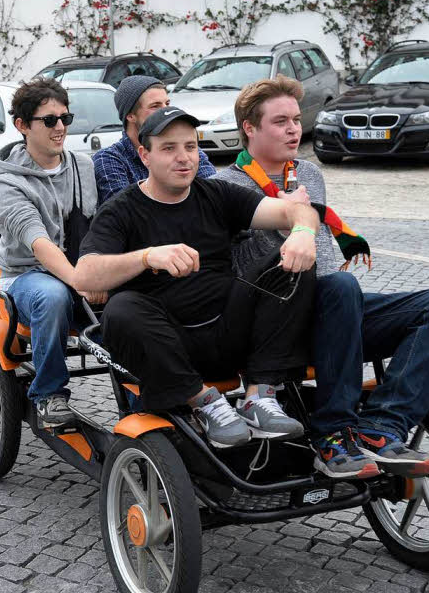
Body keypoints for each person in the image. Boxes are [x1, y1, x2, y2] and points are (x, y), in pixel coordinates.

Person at [214, 75, 429, 477]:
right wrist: (284, 217)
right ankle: (332, 433)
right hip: (277, 325)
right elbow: (244, 272)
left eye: (296, 119)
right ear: (250, 128)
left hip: (336, 309)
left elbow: (326, 256)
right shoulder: (225, 186)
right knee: (341, 284)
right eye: (280, 121)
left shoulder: (309, 174)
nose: (294, 128)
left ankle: (382, 425)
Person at [75, 106, 324, 450]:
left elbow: (297, 210)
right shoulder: (121, 210)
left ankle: (259, 395)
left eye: (191, 147)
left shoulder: (215, 194)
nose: (184, 158)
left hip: (229, 328)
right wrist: (148, 257)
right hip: (169, 346)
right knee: (121, 309)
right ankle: (204, 403)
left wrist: (302, 232)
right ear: (144, 155)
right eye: (169, 148)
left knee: (290, 264)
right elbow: (84, 274)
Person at [0, 78, 99, 428]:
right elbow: (37, 242)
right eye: (49, 120)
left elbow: (103, 225)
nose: (61, 128)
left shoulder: (84, 166)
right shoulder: (7, 183)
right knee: (51, 296)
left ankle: (139, 396)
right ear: (22, 126)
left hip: (79, 268)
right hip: (27, 275)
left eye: (65, 118)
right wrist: (81, 279)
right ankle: (48, 393)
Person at [92, 75, 217, 206]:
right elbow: (124, 213)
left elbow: (213, 194)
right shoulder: (110, 159)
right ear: (130, 116)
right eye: (155, 106)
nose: (166, 111)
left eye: (167, 104)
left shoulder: (185, 149)